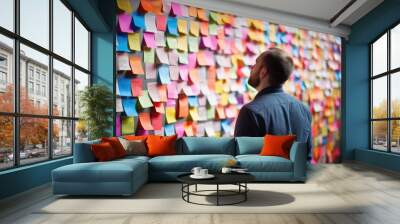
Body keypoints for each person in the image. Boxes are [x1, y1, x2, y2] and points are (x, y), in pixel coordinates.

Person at [234, 48, 312, 160]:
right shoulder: (303, 110)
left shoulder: (251, 112)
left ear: (263, 72)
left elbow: (243, 163)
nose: (251, 69)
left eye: (256, 63)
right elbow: (307, 158)